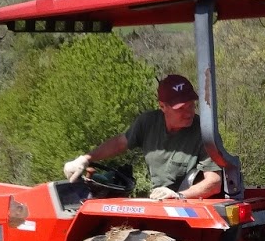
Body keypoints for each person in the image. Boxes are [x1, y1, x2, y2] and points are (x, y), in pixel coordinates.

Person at [63, 74, 223, 201]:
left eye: (191, 105)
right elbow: (120, 143)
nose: (188, 113)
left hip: (192, 203)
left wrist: (180, 196)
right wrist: (85, 159)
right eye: (181, 108)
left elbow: (214, 183)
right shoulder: (148, 123)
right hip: (161, 200)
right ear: (162, 106)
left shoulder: (204, 132)